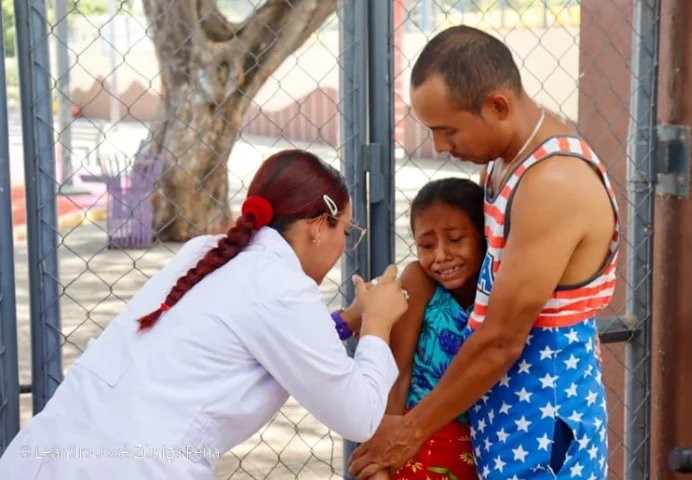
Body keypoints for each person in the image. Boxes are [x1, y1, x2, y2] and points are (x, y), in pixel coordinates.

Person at [0, 149, 408, 479]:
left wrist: (348, 321)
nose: (343, 247)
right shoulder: (282, 287)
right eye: (345, 232)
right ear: (318, 226)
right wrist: (378, 325)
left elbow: (266, 344)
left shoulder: (203, 253)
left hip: (45, 454)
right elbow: (358, 415)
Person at [349, 25, 618, 479]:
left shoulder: (552, 183)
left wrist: (410, 431)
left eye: (448, 130)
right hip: (503, 422)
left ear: (498, 106)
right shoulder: (503, 163)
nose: (440, 146)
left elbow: (502, 338)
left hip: (545, 428)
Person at [370, 178, 485, 480]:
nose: (441, 256)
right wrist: (381, 464)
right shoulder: (419, 282)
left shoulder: (500, 290)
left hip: (487, 449)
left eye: (455, 239)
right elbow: (397, 375)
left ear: (483, 236)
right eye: (427, 245)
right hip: (416, 447)